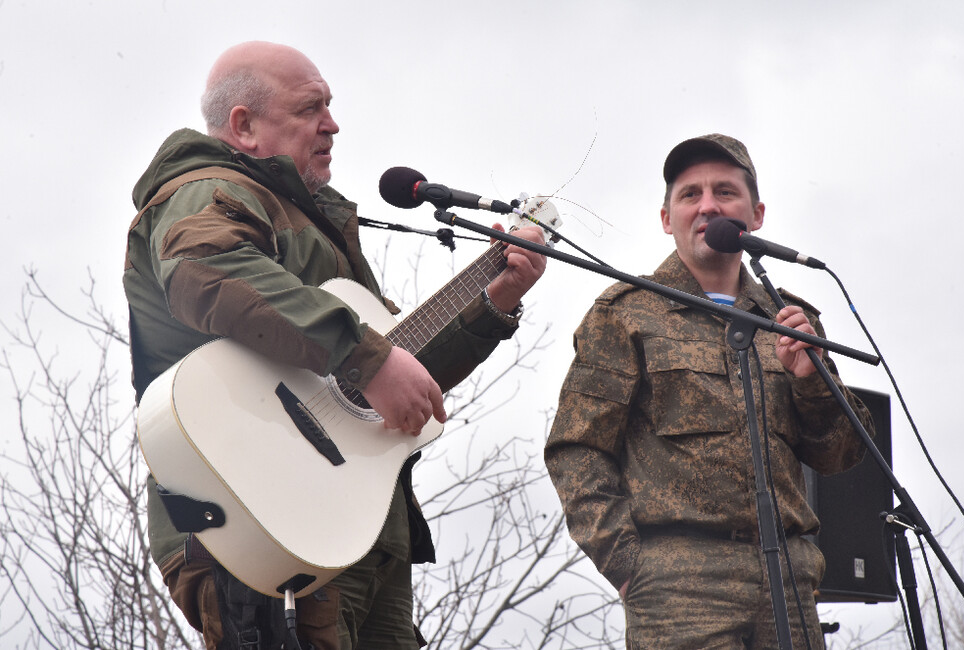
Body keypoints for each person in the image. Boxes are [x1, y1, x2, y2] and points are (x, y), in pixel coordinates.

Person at [124, 41, 546, 650]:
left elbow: (386, 387)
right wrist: (367, 356)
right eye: (310, 108)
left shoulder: (308, 221)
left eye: (331, 106)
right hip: (261, 516)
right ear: (243, 125)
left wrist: (493, 302)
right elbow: (206, 272)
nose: (332, 124)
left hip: (352, 521)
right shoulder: (205, 190)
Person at [544, 133, 873, 649]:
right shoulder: (627, 311)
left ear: (756, 215)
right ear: (665, 217)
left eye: (725, 192)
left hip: (790, 582)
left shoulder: (788, 319)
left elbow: (841, 453)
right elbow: (577, 448)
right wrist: (629, 565)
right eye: (689, 194)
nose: (707, 206)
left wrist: (812, 382)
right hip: (679, 589)